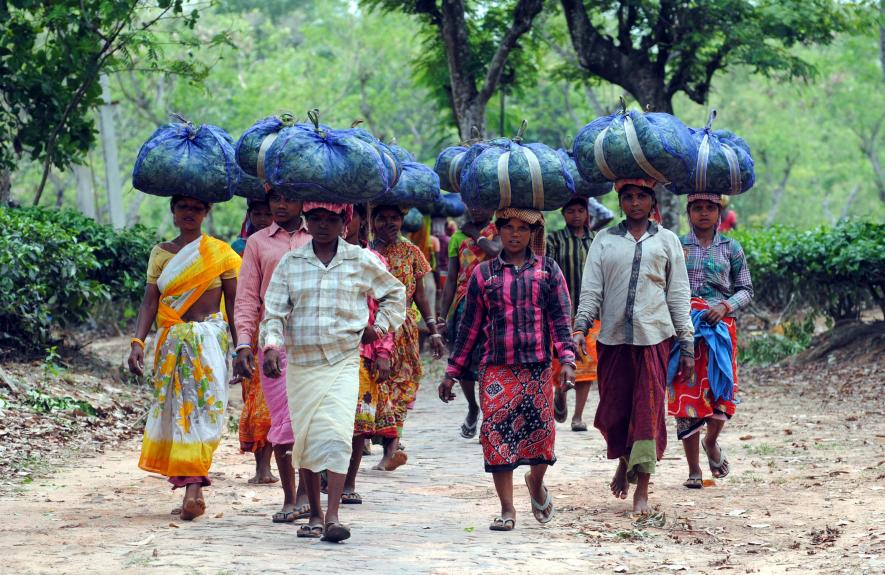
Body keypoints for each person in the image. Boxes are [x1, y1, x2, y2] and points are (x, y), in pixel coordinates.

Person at [261, 202, 406, 542]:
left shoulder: (359, 259)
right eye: (315, 219)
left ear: (345, 222)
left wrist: (379, 328)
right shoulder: (291, 262)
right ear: (306, 222)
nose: (322, 225)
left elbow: (394, 293)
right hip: (302, 363)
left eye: (331, 219)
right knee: (307, 437)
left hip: (342, 360)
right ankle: (314, 513)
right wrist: (271, 346)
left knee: (338, 434)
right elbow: (274, 311)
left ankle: (333, 516)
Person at [439, 208, 577, 532]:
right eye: (508, 228)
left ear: (532, 234)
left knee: (542, 438)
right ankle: (507, 508)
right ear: (497, 231)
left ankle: (535, 482)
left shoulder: (548, 270)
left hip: (537, 368)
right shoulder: (483, 274)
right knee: (496, 436)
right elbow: (469, 328)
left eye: (522, 229)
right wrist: (452, 371)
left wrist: (568, 360)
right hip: (496, 370)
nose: (515, 234)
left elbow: (560, 320)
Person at [573, 178, 694, 515]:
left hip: (654, 339)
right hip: (612, 339)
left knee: (647, 414)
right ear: (620, 202)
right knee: (614, 413)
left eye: (642, 196)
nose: (635, 203)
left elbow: (678, 293)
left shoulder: (667, 240)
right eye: (628, 197)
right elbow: (592, 288)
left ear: (653, 202)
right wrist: (581, 326)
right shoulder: (605, 239)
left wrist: (686, 342)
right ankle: (625, 460)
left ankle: (642, 489)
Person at [128, 194, 240, 521]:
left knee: (205, 411)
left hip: (209, 343)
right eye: (183, 207)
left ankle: (193, 487)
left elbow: (235, 306)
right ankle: (193, 490)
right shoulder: (160, 254)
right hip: (172, 344)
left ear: (206, 212)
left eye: (196, 208)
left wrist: (243, 348)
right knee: (179, 412)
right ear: (173, 211)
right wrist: (137, 341)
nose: (189, 213)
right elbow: (150, 302)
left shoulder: (221, 253)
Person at [233, 188, 311, 523]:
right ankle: (290, 496)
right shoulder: (257, 243)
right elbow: (247, 296)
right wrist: (243, 343)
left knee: (309, 420)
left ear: (302, 201)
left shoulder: (320, 236)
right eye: (275, 199)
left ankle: (307, 494)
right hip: (273, 345)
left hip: (314, 341)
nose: (281, 204)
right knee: (280, 420)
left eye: (288, 198)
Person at [668, 193, 753, 488]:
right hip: (685, 330)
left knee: (722, 393)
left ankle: (712, 441)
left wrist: (725, 306)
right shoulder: (677, 246)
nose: (703, 213)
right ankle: (693, 470)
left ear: (720, 212)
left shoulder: (731, 248)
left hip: (721, 332)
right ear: (688, 212)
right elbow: (667, 286)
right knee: (686, 395)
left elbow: (746, 289)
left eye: (710, 208)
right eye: (697, 208)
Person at [371, 205, 447, 470]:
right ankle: (379, 441)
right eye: (382, 218)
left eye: (394, 218)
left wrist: (433, 330)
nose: (388, 223)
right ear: (372, 220)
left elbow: (420, 295)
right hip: (372, 329)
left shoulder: (412, 252)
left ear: (402, 220)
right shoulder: (363, 252)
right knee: (377, 385)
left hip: (404, 329)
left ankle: (392, 446)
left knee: (402, 385)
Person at [342, 204, 396, 504]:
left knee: (359, 423)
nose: (344, 221)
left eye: (349, 214)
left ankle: (348, 482)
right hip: (324, 351)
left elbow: (388, 306)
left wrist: (383, 350)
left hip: (364, 352)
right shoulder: (311, 259)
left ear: (361, 220)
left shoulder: (374, 260)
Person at [437, 207, 501, 439]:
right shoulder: (457, 237)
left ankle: (489, 415)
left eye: (482, 203)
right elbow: (452, 279)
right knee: (463, 361)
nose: (476, 208)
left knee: (489, 363)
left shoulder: (500, 230)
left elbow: (495, 250)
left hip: (494, 303)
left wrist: (475, 233)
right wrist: (443, 317)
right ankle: (473, 407)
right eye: (472, 203)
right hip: (464, 305)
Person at [546, 197, 602, 432]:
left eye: (580, 210)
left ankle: (578, 416)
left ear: (587, 213)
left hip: (591, 313)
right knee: (559, 360)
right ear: (563, 213)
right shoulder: (554, 240)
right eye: (571, 211)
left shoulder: (596, 239)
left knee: (586, 364)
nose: (576, 215)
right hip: (561, 312)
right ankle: (560, 392)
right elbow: (547, 271)